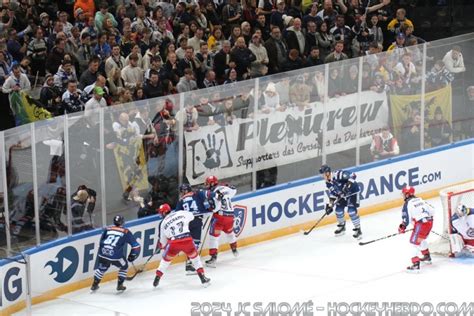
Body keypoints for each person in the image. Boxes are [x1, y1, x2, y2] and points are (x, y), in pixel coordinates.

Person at [153, 203, 211, 287]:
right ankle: (203, 278)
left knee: (165, 260)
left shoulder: (163, 223)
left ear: (164, 213)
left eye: (161, 212)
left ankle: (157, 278)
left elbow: (163, 242)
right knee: (195, 259)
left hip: (173, 243)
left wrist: (162, 246)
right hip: (187, 239)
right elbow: (191, 216)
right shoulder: (181, 212)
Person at [91, 215, 141, 292]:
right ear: (123, 222)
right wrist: (133, 255)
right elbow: (136, 246)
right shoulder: (125, 231)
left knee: (101, 268)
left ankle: (94, 285)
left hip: (103, 254)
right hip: (116, 257)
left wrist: (104, 251)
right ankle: (120, 285)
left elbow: (101, 241)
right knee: (124, 266)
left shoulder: (107, 229)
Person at [175, 183, 215, 274]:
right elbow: (208, 200)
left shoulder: (181, 200)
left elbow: (177, 213)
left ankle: (190, 263)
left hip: (187, 223)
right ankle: (190, 264)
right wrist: (210, 208)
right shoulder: (197, 194)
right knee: (195, 243)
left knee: (190, 242)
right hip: (196, 221)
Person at [319, 165, 362, 239]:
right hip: (342, 195)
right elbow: (333, 193)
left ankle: (358, 230)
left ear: (327, 173)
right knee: (338, 211)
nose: (322, 176)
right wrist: (330, 204)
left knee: (351, 211)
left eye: (323, 174)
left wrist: (348, 185)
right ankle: (342, 227)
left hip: (352, 193)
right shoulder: (328, 183)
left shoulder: (338, 174)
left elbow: (353, 175)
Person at [398, 186, 434, 272]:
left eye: (404, 194)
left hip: (420, 225)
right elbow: (432, 210)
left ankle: (415, 265)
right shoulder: (421, 200)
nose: (403, 195)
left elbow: (406, 219)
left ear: (407, 194)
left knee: (413, 244)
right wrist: (426, 222)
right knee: (420, 239)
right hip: (429, 222)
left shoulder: (407, 204)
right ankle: (427, 256)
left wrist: (402, 228)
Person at [205, 176, 239, 268]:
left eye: (208, 183)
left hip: (219, 217)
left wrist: (209, 209)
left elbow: (215, 207)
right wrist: (228, 186)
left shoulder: (213, 193)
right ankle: (234, 249)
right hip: (230, 216)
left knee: (213, 237)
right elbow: (234, 190)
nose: (207, 185)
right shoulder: (226, 188)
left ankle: (213, 257)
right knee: (230, 233)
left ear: (212, 183)